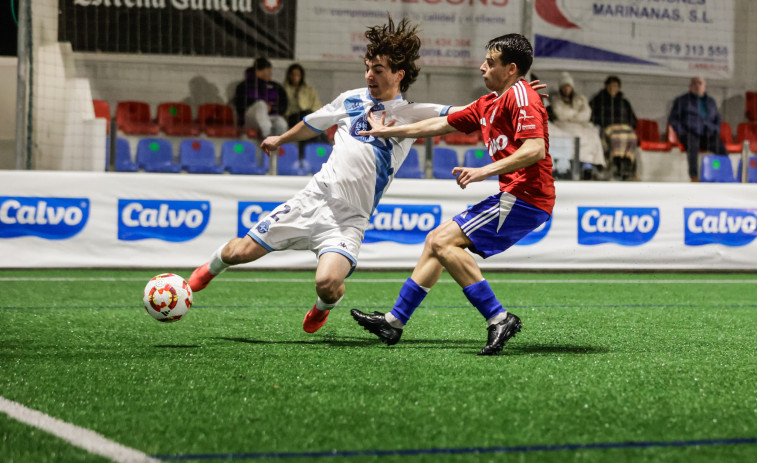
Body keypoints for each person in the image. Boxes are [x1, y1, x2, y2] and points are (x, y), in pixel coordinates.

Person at [187, 17, 457, 334]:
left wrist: (507, 98)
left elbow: (460, 115)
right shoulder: (351, 99)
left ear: (399, 74)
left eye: (378, 69)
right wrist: (281, 138)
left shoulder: (412, 113)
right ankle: (209, 268)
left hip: (349, 218)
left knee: (328, 283)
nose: (370, 75)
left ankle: (323, 308)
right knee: (239, 252)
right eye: (368, 67)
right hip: (313, 199)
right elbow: (314, 123)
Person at [350, 33, 555, 356]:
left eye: (490, 62)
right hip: (517, 196)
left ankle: (498, 317)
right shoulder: (491, 102)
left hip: (526, 198)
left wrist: (483, 171)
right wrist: (387, 131)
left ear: (511, 68)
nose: (481, 67)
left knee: (443, 242)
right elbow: (438, 124)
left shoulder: (522, 97)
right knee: (436, 241)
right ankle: (394, 321)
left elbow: (535, 150)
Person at [668, 77, 728, 182]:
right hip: (689, 133)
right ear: (690, 86)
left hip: (707, 133)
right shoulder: (682, 100)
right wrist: (681, 131)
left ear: (704, 87)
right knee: (692, 143)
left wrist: (715, 129)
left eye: (699, 83)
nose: (697, 85)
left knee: (721, 147)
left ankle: (724, 174)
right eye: (694, 83)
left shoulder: (711, 101)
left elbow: (718, 119)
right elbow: (673, 119)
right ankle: (694, 176)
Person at [550, 72, 604, 179]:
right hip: (564, 125)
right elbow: (560, 114)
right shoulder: (556, 99)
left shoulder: (580, 99)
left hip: (580, 125)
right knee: (576, 136)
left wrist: (571, 114)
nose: (567, 89)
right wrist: (576, 114)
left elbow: (586, 114)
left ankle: (588, 163)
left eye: (568, 87)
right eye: (564, 87)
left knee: (592, 134)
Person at [589, 75, 638, 180]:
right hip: (607, 127)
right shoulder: (598, 100)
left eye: (615, 86)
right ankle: (616, 163)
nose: (613, 88)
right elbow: (592, 116)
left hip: (624, 128)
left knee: (632, 137)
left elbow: (633, 119)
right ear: (606, 86)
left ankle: (627, 165)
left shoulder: (624, 102)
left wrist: (628, 126)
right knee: (615, 137)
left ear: (619, 87)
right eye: (610, 86)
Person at [232, 57, 289, 138]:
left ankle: (278, 144)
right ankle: (267, 135)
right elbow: (240, 105)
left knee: (281, 121)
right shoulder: (245, 85)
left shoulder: (275, 86)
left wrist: (272, 108)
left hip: (269, 116)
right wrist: (262, 106)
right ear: (258, 71)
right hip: (250, 118)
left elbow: (283, 106)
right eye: (268, 71)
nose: (270, 74)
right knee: (261, 104)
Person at [283, 64, 323, 129]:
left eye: (297, 75)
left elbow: (316, 105)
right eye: (293, 75)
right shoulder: (283, 89)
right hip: (291, 118)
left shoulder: (309, 90)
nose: (295, 77)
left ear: (301, 76)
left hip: (307, 116)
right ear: (289, 75)